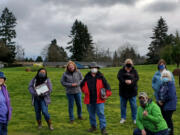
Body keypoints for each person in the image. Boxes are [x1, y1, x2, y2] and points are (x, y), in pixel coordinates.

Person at [81, 62, 112, 135]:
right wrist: (85, 90)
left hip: (99, 100)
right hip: (89, 99)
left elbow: (108, 87)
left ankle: (103, 128)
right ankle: (93, 126)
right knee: (91, 114)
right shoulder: (87, 76)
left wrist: (106, 95)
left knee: (101, 114)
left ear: (97, 68)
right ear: (90, 68)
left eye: (95, 67)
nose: (94, 69)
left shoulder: (101, 77)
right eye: (92, 67)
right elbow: (81, 86)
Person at [117, 58, 139, 124]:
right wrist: (125, 81)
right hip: (123, 91)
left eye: (130, 65)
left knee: (134, 106)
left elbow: (137, 78)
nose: (129, 66)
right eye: (127, 65)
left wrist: (131, 81)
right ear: (125, 64)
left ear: (132, 64)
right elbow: (119, 77)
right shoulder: (121, 71)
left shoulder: (134, 71)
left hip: (132, 92)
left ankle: (135, 118)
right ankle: (123, 118)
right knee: (123, 105)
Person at [157, 70, 177, 135]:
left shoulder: (171, 84)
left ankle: (170, 133)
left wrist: (162, 101)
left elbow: (170, 96)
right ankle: (165, 132)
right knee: (165, 120)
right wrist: (159, 101)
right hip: (163, 105)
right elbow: (159, 93)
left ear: (169, 77)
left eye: (166, 76)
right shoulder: (162, 84)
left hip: (169, 105)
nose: (165, 77)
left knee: (168, 120)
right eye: (163, 76)